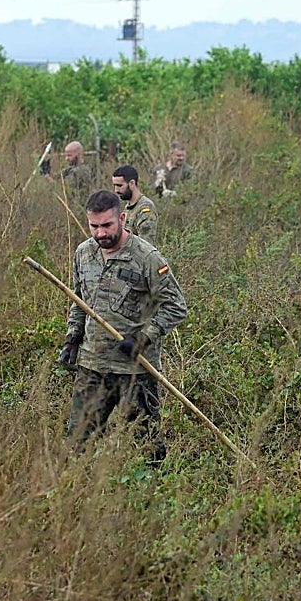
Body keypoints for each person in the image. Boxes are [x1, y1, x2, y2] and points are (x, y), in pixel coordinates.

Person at [58, 190, 188, 463]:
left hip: (136, 370)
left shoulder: (147, 257)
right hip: (92, 365)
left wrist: (144, 337)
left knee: (146, 444)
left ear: (122, 219)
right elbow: (79, 300)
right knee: (78, 442)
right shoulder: (84, 253)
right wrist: (73, 337)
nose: (100, 233)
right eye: (94, 226)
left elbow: (176, 307)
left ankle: (152, 486)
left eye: (107, 225)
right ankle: (78, 486)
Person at [111, 164, 158, 243]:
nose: (116, 190)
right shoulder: (128, 207)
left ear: (132, 183)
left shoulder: (146, 208)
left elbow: (146, 244)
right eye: (115, 186)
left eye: (119, 186)